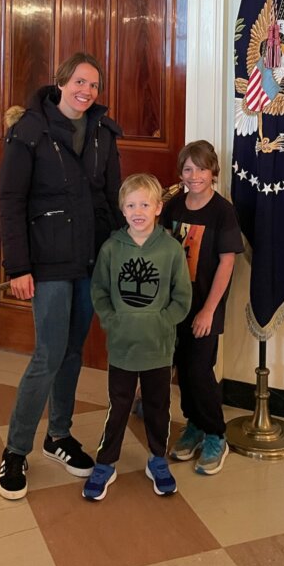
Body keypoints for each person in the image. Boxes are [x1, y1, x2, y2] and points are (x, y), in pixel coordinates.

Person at [0, 52, 122, 500]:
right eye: (80, 82)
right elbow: (10, 201)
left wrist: (116, 255)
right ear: (62, 81)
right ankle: (15, 449)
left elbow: (111, 199)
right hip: (46, 263)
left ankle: (59, 436)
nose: (87, 91)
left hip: (90, 261)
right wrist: (19, 267)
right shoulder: (29, 130)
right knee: (48, 354)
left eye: (94, 86)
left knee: (72, 351)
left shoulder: (104, 133)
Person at [83, 173, 192, 501]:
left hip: (158, 346)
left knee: (159, 406)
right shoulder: (112, 248)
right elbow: (99, 290)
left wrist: (164, 322)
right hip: (123, 345)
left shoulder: (171, 249)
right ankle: (106, 461)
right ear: (122, 209)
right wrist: (111, 320)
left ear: (159, 207)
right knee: (119, 405)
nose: (138, 210)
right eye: (131, 205)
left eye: (145, 204)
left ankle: (158, 459)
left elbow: (182, 296)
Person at [160, 140, 243, 475]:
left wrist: (208, 310)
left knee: (198, 368)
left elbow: (226, 264)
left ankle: (215, 434)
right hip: (175, 305)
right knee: (183, 367)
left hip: (205, 304)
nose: (194, 175)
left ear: (213, 171)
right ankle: (193, 424)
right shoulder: (174, 206)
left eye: (201, 168)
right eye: (188, 169)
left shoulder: (223, 211)